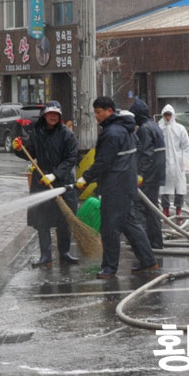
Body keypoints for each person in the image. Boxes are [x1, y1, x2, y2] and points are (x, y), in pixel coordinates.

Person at [76, 96, 158, 279]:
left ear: (109, 111)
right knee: (130, 225)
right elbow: (137, 150)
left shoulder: (112, 133)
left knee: (110, 228)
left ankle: (109, 267)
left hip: (115, 187)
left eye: (98, 112)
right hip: (125, 185)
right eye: (95, 112)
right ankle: (148, 260)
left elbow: (103, 161)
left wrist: (85, 179)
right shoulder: (126, 129)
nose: (96, 116)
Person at [12, 101, 80, 268]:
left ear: (60, 116)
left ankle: (64, 253)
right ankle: (46, 256)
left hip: (63, 182)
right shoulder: (37, 133)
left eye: (56, 114)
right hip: (41, 181)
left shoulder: (67, 135)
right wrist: (19, 149)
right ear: (44, 115)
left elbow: (71, 159)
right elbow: (30, 153)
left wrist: (55, 174)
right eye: (50, 113)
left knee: (64, 219)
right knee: (42, 221)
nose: (52, 116)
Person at [129, 99, 166, 249]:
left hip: (148, 176)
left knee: (141, 208)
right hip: (157, 175)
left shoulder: (144, 129)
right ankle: (156, 242)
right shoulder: (155, 126)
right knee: (152, 208)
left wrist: (140, 174)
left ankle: (142, 245)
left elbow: (146, 154)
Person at [158, 104, 189, 221]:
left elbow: (186, 146)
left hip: (178, 162)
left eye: (169, 115)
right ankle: (165, 209)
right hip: (164, 161)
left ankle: (179, 209)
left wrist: (186, 163)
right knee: (164, 187)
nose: (167, 117)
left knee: (180, 186)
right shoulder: (159, 128)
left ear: (173, 115)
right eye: (166, 115)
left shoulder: (180, 129)